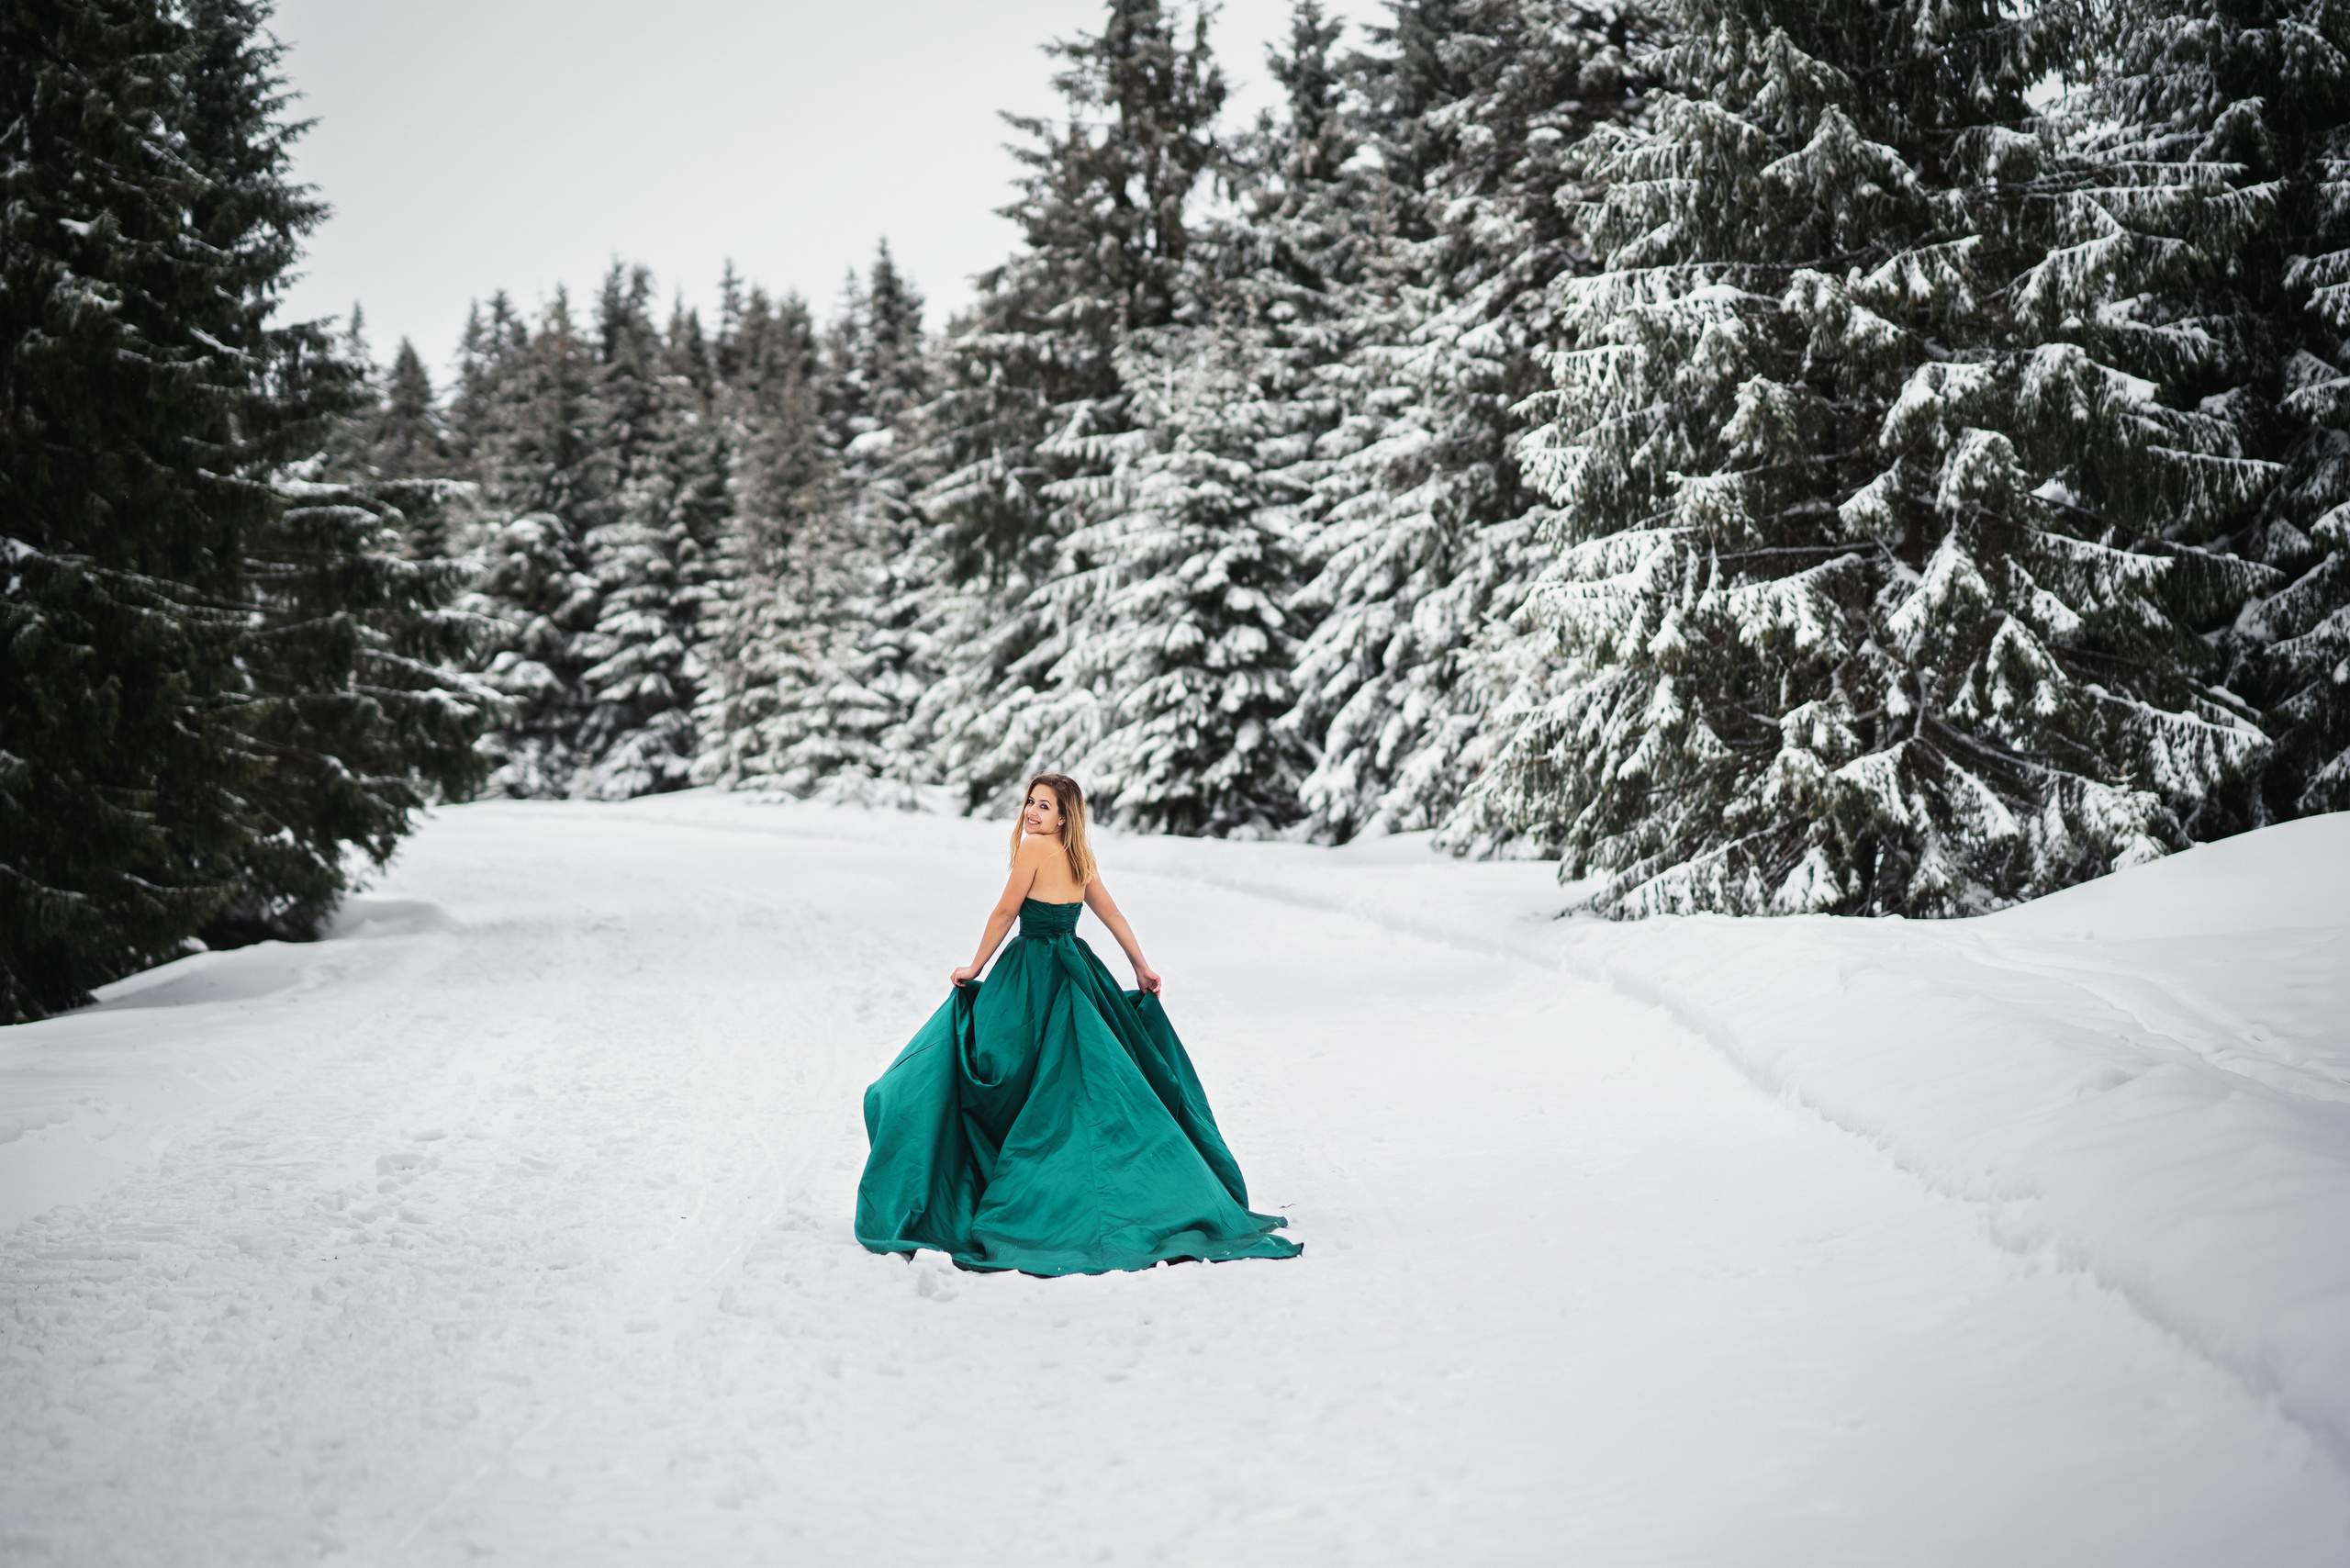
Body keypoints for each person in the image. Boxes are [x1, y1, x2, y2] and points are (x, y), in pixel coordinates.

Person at [854, 773, 1301, 1274]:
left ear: (1063, 817)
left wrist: (975, 967)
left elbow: (1006, 911)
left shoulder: (1034, 849)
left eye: (1044, 807)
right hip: (1075, 969)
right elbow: (1113, 916)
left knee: (996, 1061)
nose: (1032, 812)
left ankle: (998, 1180)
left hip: (1031, 974)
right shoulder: (1078, 856)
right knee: (1064, 1075)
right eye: (1030, 802)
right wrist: (1140, 966)